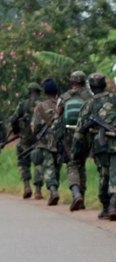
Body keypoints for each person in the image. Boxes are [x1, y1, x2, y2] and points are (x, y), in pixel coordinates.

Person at [71, 73, 116, 221]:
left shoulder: (88, 104)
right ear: (105, 85)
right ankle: (113, 205)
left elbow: (79, 132)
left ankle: (106, 206)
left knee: (104, 175)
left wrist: (75, 153)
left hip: (100, 145)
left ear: (91, 87)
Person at [56, 70, 93, 211]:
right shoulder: (89, 96)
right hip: (85, 132)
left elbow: (57, 115)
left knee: (72, 164)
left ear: (72, 82)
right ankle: (81, 198)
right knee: (81, 163)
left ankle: (76, 194)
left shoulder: (64, 97)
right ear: (84, 82)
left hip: (69, 133)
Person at [10, 82, 44, 199]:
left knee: (23, 163)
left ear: (29, 92)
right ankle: (38, 191)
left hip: (24, 140)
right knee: (38, 163)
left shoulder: (22, 104)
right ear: (38, 93)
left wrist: (17, 131)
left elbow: (13, 119)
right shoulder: (42, 105)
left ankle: (26, 186)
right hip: (39, 140)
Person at [31, 78, 61, 206]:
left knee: (48, 168)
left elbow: (34, 127)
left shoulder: (40, 106)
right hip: (60, 142)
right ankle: (55, 189)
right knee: (56, 167)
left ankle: (53, 190)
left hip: (45, 143)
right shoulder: (61, 105)